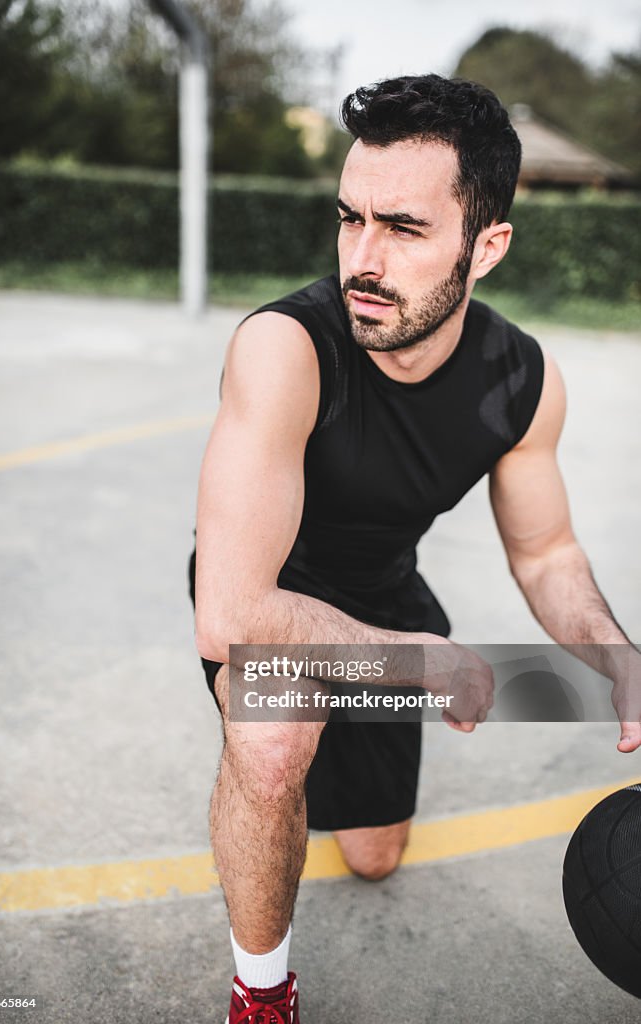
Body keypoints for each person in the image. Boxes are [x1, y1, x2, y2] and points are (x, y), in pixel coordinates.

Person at [189, 74, 641, 1023]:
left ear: (487, 247)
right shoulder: (284, 346)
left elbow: (547, 552)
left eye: (401, 227)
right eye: (349, 218)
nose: (362, 256)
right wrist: (421, 662)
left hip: (385, 595)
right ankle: (260, 993)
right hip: (273, 592)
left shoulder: (522, 378)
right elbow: (233, 610)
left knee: (373, 855)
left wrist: (616, 658)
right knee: (272, 746)